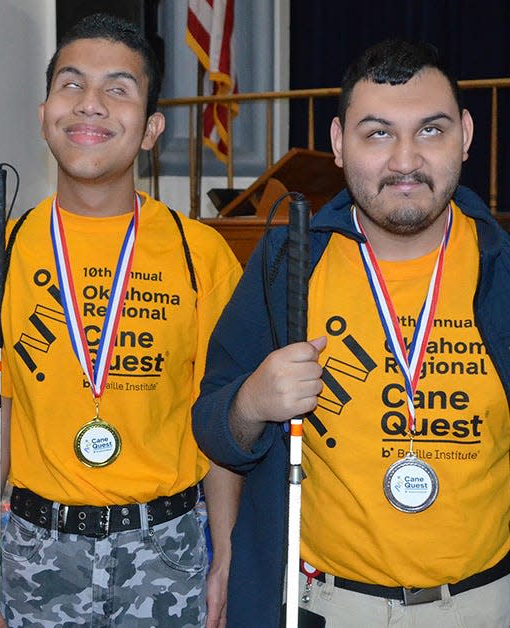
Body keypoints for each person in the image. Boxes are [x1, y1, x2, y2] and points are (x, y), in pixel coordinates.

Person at [192, 38, 510, 627]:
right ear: (339, 143)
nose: (406, 160)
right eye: (379, 133)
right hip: (328, 607)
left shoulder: (502, 268)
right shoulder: (289, 261)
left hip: (487, 605)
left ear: (466, 135)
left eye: (432, 131)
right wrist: (253, 400)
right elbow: (214, 425)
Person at [0, 13, 244, 628]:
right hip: (37, 550)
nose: (91, 105)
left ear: (150, 129)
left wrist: (225, 559)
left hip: (167, 548)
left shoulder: (202, 256)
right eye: (71, 85)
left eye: (118, 89)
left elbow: (217, 413)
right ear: (43, 114)